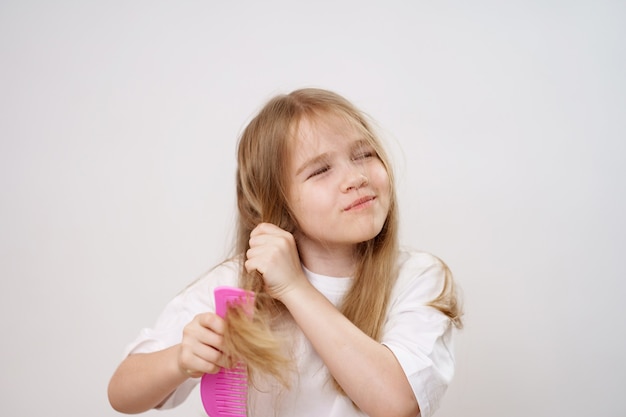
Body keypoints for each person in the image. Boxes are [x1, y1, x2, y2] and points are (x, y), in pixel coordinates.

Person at [108, 88, 463, 417]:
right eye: (321, 170)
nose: (355, 177)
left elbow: (396, 401)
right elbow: (122, 393)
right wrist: (179, 361)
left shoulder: (418, 277)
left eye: (365, 155)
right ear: (275, 202)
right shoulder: (238, 286)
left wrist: (294, 288)